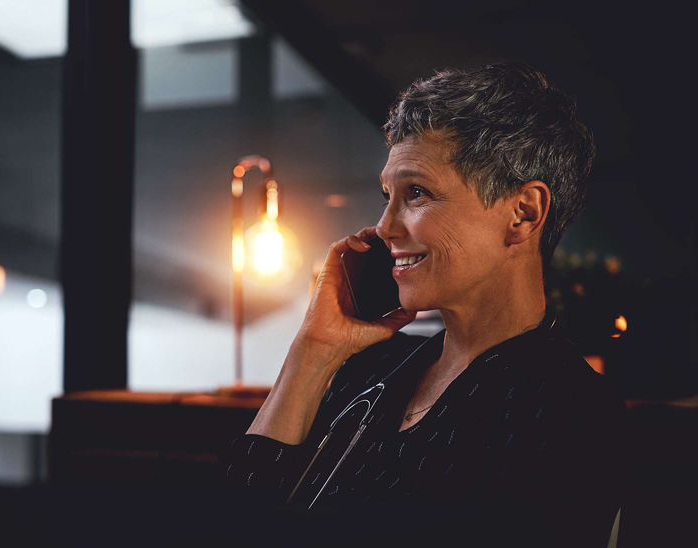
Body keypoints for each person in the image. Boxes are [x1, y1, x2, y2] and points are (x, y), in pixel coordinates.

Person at [218, 62, 626, 547]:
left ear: (523, 213)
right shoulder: (371, 370)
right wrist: (313, 350)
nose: (386, 227)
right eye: (387, 195)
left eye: (417, 193)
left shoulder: (571, 411)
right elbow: (233, 527)